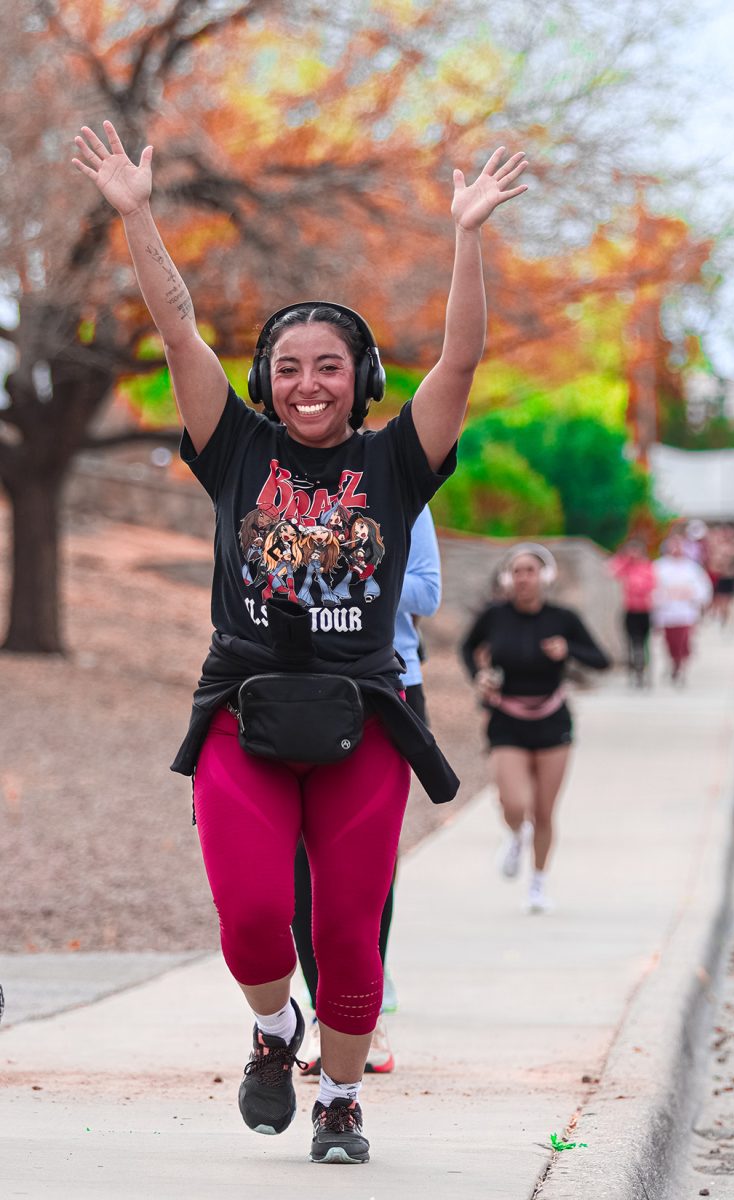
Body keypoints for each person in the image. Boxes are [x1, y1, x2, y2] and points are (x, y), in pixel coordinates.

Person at [73, 119, 527, 1165]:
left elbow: (463, 356)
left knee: (350, 937)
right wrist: (138, 215)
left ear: (360, 377)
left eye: (330, 366)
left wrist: (467, 237)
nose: (308, 382)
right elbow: (181, 333)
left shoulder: (396, 461)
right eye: (287, 367)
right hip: (245, 711)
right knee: (251, 917)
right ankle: (275, 1030)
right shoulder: (234, 449)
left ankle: (338, 1099)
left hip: (368, 718)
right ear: (265, 378)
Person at [293, 504, 442, 1078]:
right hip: (295, 685)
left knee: (366, 861)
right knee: (298, 856)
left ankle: (363, 1011)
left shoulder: (400, 487)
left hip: (388, 686)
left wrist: (348, 572)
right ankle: (318, 1006)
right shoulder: (281, 490)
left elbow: (426, 593)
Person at [460, 544, 610, 913]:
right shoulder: (495, 616)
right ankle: (514, 834)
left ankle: (538, 885)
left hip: (552, 719)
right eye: (516, 571)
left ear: (545, 577)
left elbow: (602, 660)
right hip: (506, 719)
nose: (522, 578)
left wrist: (568, 650)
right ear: (507, 578)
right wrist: (479, 676)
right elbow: (467, 647)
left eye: (530, 571)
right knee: (515, 803)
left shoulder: (563, 618)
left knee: (543, 812)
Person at [652, 535, 713, 682]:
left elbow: (702, 587)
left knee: (683, 639)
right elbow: (653, 587)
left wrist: (695, 598)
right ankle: (674, 662)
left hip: (686, 610)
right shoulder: (659, 566)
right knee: (670, 640)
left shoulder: (691, 567)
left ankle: (680, 664)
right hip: (667, 611)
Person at [608, 538, 656, 687]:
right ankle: (634, 670)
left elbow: (649, 585)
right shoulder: (626, 566)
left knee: (644, 643)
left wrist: (635, 585)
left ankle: (644, 670)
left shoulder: (647, 567)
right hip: (630, 610)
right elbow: (611, 570)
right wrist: (624, 559)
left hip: (644, 610)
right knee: (631, 643)